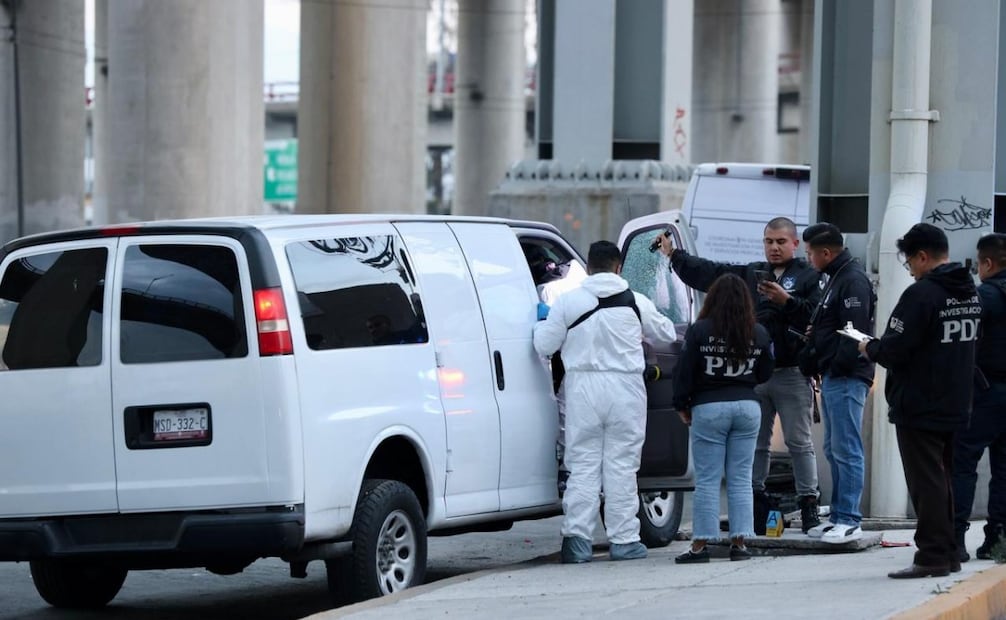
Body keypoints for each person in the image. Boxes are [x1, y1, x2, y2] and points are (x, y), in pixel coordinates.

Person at [656, 217, 823, 534]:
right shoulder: (751, 273)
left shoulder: (809, 276)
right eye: (769, 241)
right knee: (757, 445)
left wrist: (786, 301)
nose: (774, 248)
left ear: (795, 244)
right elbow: (711, 274)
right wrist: (674, 256)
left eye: (780, 242)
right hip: (755, 377)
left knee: (799, 442)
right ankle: (756, 503)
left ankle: (809, 503)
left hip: (791, 371)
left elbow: (817, 315)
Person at [532, 240, 678, 563]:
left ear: (589, 268)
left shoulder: (569, 302)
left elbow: (544, 345)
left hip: (582, 389)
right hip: (626, 389)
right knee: (623, 466)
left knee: (582, 465)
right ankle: (624, 540)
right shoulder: (636, 301)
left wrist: (540, 323)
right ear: (618, 268)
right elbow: (667, 334)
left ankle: (577, 542)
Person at [858, 223, 979, 578]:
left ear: (923, 256)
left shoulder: (922, 294)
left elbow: (894, 350)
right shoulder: (968, 291)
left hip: (920, 403)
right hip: (957, 399)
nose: (909, 269)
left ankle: (931, 557)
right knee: (944, 479)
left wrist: (869, 347)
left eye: (909, 261)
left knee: (926, 484)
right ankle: (950, 551)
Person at [671, 274, 775, 563]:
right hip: (747, 406)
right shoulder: (758, 332)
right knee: (741, 478)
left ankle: (701, 546)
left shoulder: (699, 331)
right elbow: (766, 371)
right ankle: (740, 544)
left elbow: (684, 371)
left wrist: (682, 404)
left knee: (708, 479)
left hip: (709, 407)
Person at [800, 222, 875, 544]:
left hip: (846, 377)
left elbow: (853, 333)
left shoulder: (852, 280)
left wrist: (831, 361)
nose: (808, 260)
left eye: (810, 254)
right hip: (834, 375)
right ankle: (839, 516)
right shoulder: (836, 278)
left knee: (846, 448)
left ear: (826, 252)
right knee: (834, 447)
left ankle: (849, 519)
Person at [951, 233, 1006, 562]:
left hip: (985, 391)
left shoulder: (982, 295)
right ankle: (998, 539)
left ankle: (955, 538)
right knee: (1004, 470)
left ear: (986, 263)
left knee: (962, 465)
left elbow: (963, 342)